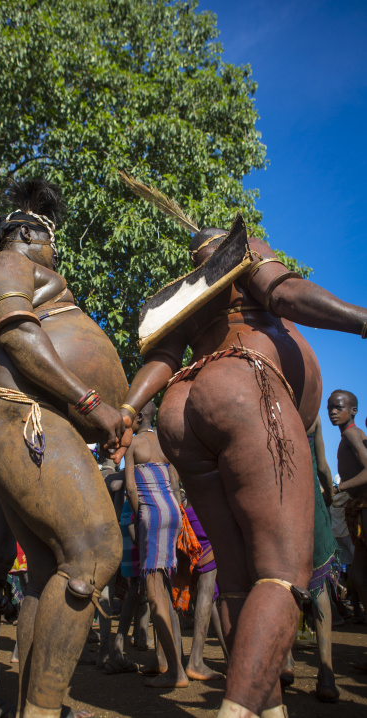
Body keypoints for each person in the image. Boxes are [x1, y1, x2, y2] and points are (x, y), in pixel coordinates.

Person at [113, 220, 367, 718]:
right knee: (281, 574)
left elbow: (165, 357)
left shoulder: (188, 294)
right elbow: (288, 294)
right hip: (244, 386)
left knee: (236, 580)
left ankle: (268, 708)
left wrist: (127, 410)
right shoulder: (244, 252)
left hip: (180, 407)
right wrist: (362, 320)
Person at [0, 178, 128, 718]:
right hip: (15, 411)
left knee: (51, 568)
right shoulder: (8, 261)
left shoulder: (27, 270)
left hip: (22, 415)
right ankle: (42, 711)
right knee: (96, 551)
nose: (57, 252)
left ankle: (36, 701)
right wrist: (92, 402)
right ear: (28, 233)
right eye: (52, 240)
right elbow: (17, 335)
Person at [124, 401, 188, 688]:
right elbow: (174, 485)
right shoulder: (165, 444)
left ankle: (177, 672)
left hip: (152, 513)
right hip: (173, 512)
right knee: (162, 588)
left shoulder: (134, 445)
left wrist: (141, 517)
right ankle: (163, 660)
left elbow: (130, 487)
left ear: (138, 417)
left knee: (153, 593)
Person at [281, 415, 340, 702]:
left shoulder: (270, 406)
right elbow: (324, 469)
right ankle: (326, 675)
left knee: (282, 582)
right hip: (311, 503)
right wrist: (326, 499)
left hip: (279, 502)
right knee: (318, 587)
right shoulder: (311, 417)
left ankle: (287, 661)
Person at [327, 391, 367, 621]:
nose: (333, 412)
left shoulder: (353, 435)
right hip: (358, 508)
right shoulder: (347, 437)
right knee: (358, 576)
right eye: (330, 407)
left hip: (364, 505)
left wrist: (339, 488)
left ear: (353, 411)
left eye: (339, 407)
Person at [184, 506, 227, 681]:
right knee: (207, 587)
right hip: (204, 512)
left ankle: (229, 655)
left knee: (211, 592)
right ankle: (195, 660)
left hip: (188, 513)